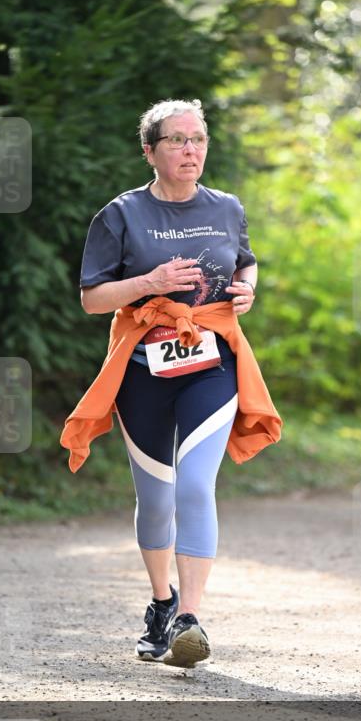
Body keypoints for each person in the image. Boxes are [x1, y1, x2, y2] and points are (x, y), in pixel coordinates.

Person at [64, 98, 281, 668]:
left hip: (212, 365)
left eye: (198, 139)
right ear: (150, 151)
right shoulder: (120, 215)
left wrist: (248, 288)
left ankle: (189, 618)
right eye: (177, 140)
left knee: (195, 486)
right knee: (157, 498)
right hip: (143, 372)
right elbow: (92, 299)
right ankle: (161, 603)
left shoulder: (227, 207)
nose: (191, 150)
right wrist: (150, 282)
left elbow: (245, 260)